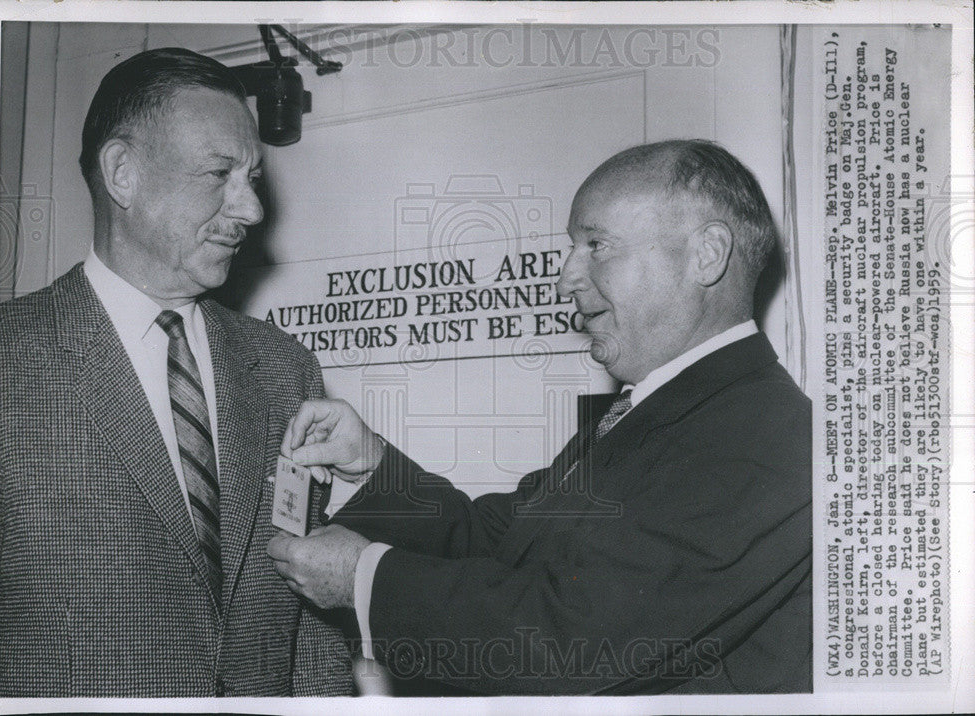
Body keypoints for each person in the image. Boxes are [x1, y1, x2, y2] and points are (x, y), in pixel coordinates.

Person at [267, 140, 812, 695]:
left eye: (596, 245)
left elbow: (571, 641)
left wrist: (363, 578)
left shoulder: (765, 434)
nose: (565, 280)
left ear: (708, 254)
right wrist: (370, 464)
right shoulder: (659, 409)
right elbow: (496, 539)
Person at [0, 48, 351, 697]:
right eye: (219, 174)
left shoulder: (285, 370)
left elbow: (311, 627)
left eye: (253, 178)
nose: (250, 210)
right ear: (123, 173)